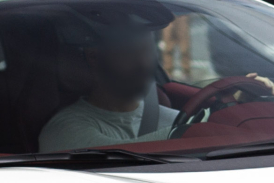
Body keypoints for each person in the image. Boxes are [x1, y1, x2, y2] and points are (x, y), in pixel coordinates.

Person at [40, 12, 180, 150]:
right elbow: (118, 155)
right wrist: (188, 133)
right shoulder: (63, 129)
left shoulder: (175, 119)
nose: (143, 63)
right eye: (129, 52)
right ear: (93, 57)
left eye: (147, 51)